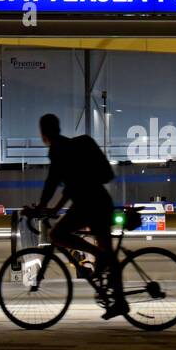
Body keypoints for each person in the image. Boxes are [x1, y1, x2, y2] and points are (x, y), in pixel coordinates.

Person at [34, 114, 127, 319]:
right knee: (108, 252)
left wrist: (43, 205)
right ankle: (119, 301)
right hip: (99, 202)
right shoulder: (73, 146)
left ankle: (99, 256)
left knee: (57, 234)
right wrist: (54, 208)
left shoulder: (58, 150)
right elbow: (71, 187)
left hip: (89, 205)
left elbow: (53, 181)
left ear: (44, 133)